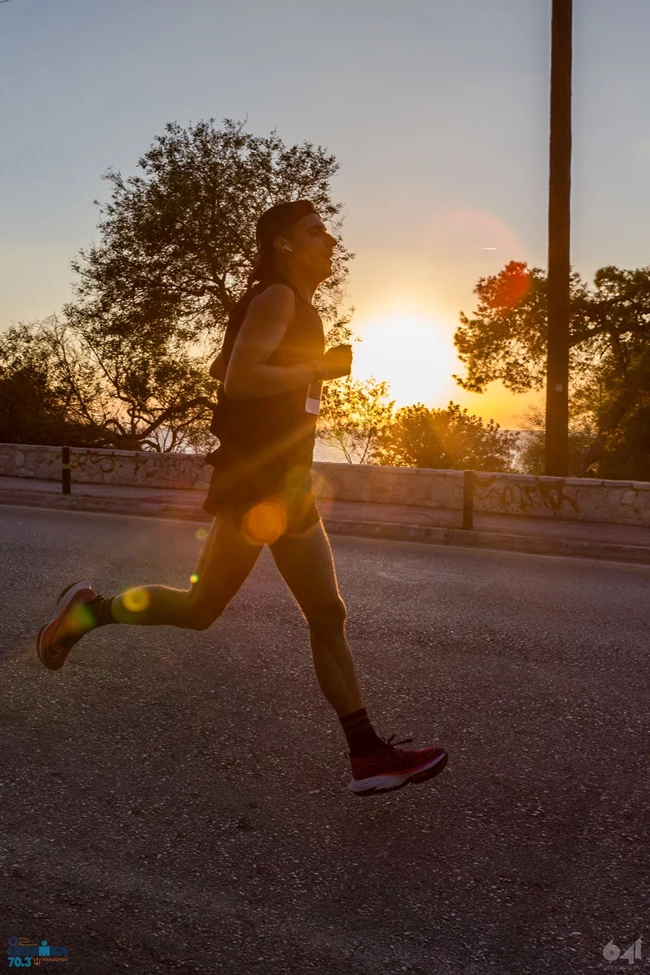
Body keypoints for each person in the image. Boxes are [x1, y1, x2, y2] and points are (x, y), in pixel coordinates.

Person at [36, 199, 448, 797]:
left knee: (269, 613)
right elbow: (238, 378)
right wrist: (316, 367)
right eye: (315, 232)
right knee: (229, 610)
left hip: (282, 479)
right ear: (284, 243)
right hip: (260, 482)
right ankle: (87, 611)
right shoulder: (279, 297)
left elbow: (219, 366)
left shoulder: (285, 302)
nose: (330, 241)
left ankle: (366, 755)